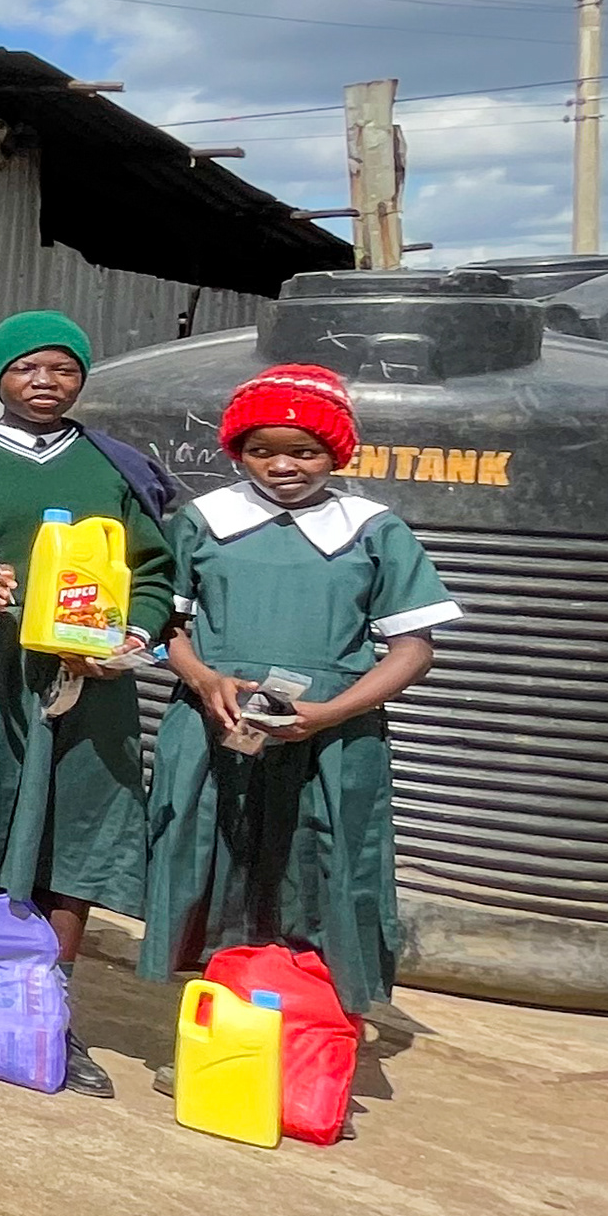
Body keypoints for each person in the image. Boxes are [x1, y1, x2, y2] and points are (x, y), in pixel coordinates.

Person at [0, 310, 176, 1098]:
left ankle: (48, 1007)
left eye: (62, 369)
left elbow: (156, 570)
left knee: (74, 831)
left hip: (89, 685)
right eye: (27, 368)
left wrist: (135, 636)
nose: (45, 382)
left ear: (82, 379)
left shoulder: (115, 466)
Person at [141, 365, 456, 1030]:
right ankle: (225, 1022)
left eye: (304, 451)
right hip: (218, 723)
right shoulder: (202, 521)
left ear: (336, 452)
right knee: (216, 857)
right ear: (238, 451)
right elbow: (165, 623)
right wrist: (203, 679)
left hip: (333, 736)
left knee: (319, 865)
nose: (283, 465)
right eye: (262, 451)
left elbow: (413, 647)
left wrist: (332, 713)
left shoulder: (372, 529)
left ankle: (310, 1027)